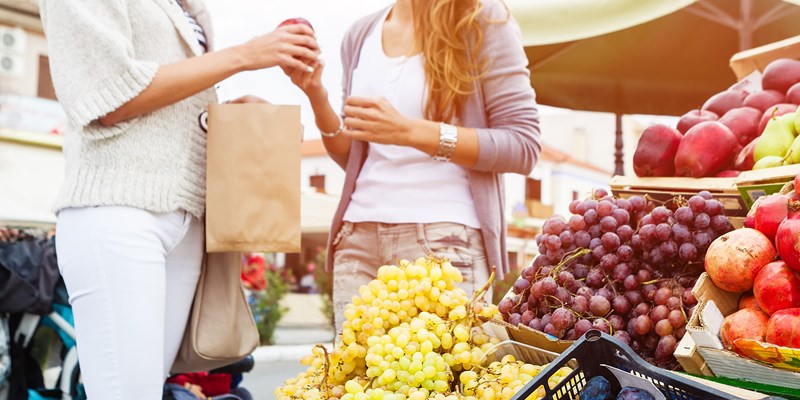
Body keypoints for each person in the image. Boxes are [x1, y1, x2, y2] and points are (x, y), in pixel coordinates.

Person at [39, 1, 319, 399]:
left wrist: (224, 114)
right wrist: (245, 55)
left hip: (186, 218)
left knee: (147, 390)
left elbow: (167, 102)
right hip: (117, 207)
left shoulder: (188, 5)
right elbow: (107, 96)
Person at [285, 0, 541, 333]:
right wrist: (316, 95)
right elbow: (355, 160)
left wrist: (409, 131)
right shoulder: (360, 35)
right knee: (353, 367)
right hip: (358, 237)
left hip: (445, 242)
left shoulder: (481, 19)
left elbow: (522, 145)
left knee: (442, 366)